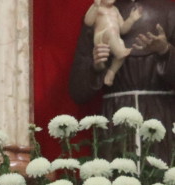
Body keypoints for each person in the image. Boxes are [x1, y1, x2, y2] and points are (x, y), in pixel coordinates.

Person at [70, 0, 175, 142]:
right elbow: (78, 91)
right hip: (116, 117)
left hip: (160, 115)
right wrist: (97, 67)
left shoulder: (170, 11)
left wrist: (165, 51)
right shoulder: (97, 13)